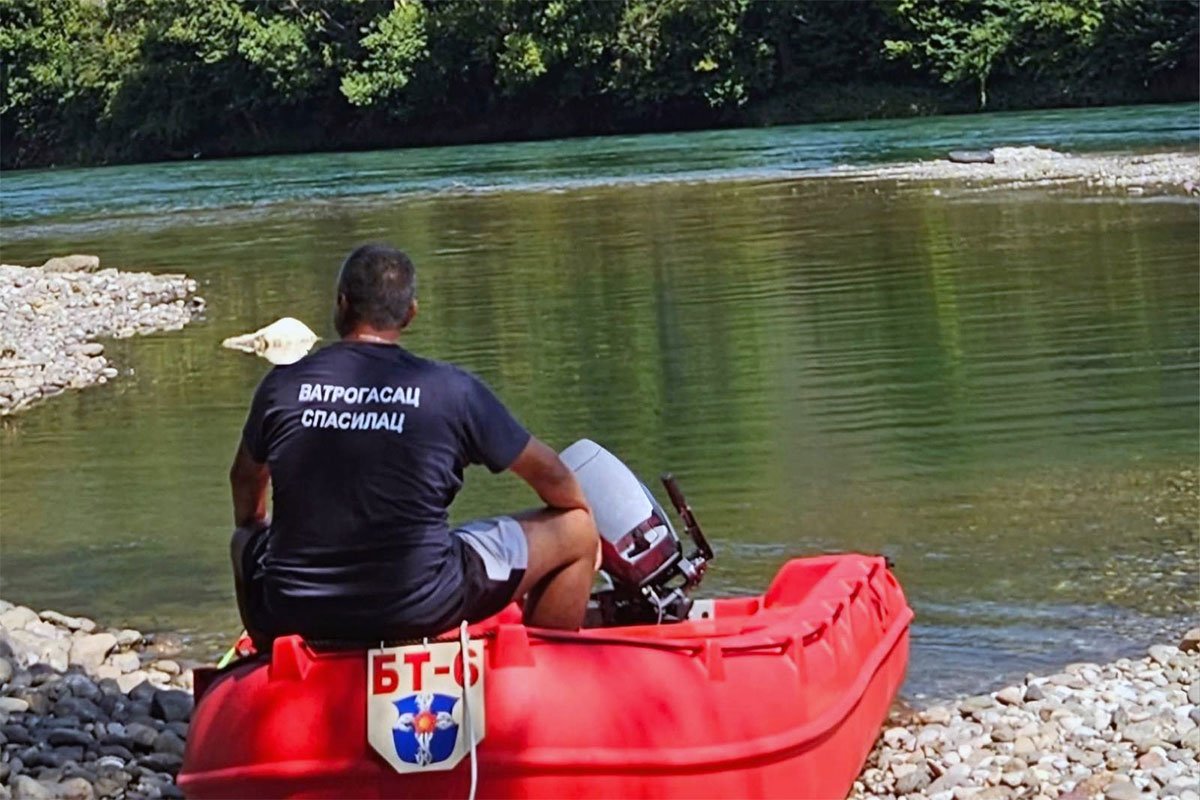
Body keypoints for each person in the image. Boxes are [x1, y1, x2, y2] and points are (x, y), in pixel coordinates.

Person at [228, 243, 599, 646]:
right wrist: (584, 520)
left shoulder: (282, 384)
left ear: (342, 303)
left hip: (295, 609)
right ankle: (541, 666)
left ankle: (272, 655)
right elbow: (552, 475)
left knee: (243, 540)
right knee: (578, 529)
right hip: (420, 605)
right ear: (410, 313)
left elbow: (244, 481)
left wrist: (263, 530)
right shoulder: (451, 390)